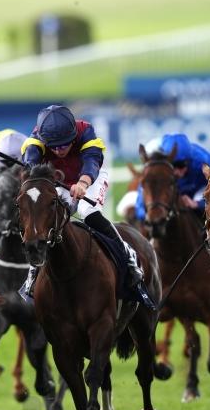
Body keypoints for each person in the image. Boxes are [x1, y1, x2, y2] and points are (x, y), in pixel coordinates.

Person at [19, 104, 144, 301]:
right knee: (47, 219)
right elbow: (31, 165)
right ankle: (34, 271)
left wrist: (83, 183)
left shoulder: (86, 132)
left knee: (88, 212)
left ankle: (128, 257)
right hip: (58, 182)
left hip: (89, 178)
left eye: (64, 144)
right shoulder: (35, 140)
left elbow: (92, 162)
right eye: (54, 146)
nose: (59, 150)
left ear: (72, 135)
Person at [135, 132, 210, 221]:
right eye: (173, 165)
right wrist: (152, 213)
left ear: (189, 161)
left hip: (201, 189)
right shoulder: (158, 171)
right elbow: (139, 209)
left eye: (181, 165)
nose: (177, 172)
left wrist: (198, 204)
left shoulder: (205, 162)